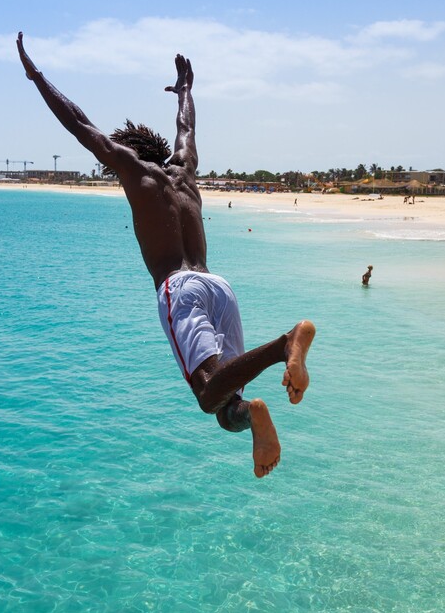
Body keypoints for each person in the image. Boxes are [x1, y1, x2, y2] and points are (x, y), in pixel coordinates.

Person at [18, 32, 315, 478]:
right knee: (224, 406)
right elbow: (187, 129)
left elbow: (80, 127)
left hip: (181, 288)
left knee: (206, 392)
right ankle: (254, 411)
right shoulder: (185, 173)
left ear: (128, 154)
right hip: (219, 286)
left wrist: (36, 76)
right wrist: (185, 90)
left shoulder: (136, 172)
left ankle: (284, 344)